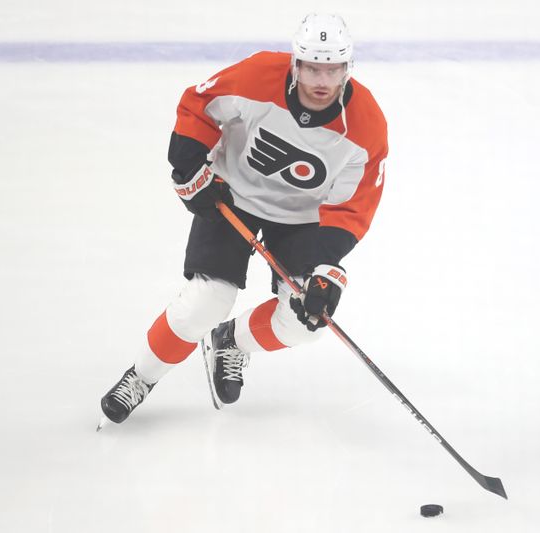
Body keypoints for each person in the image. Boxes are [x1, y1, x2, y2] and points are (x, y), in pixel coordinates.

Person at [98, 13, 388, 426]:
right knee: (205, 302)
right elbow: (200, 105)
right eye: (312, 68)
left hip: (302, 219)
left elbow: (354, 204)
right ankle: (141, 377)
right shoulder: (257, 75)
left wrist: (326, 265)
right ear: (295, 64)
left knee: (307, 324)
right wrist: (188, 163)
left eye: (333, 69)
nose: (322, 81)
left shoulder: (367, 125)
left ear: (347, 68)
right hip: (232, 195)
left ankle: (232, 343)